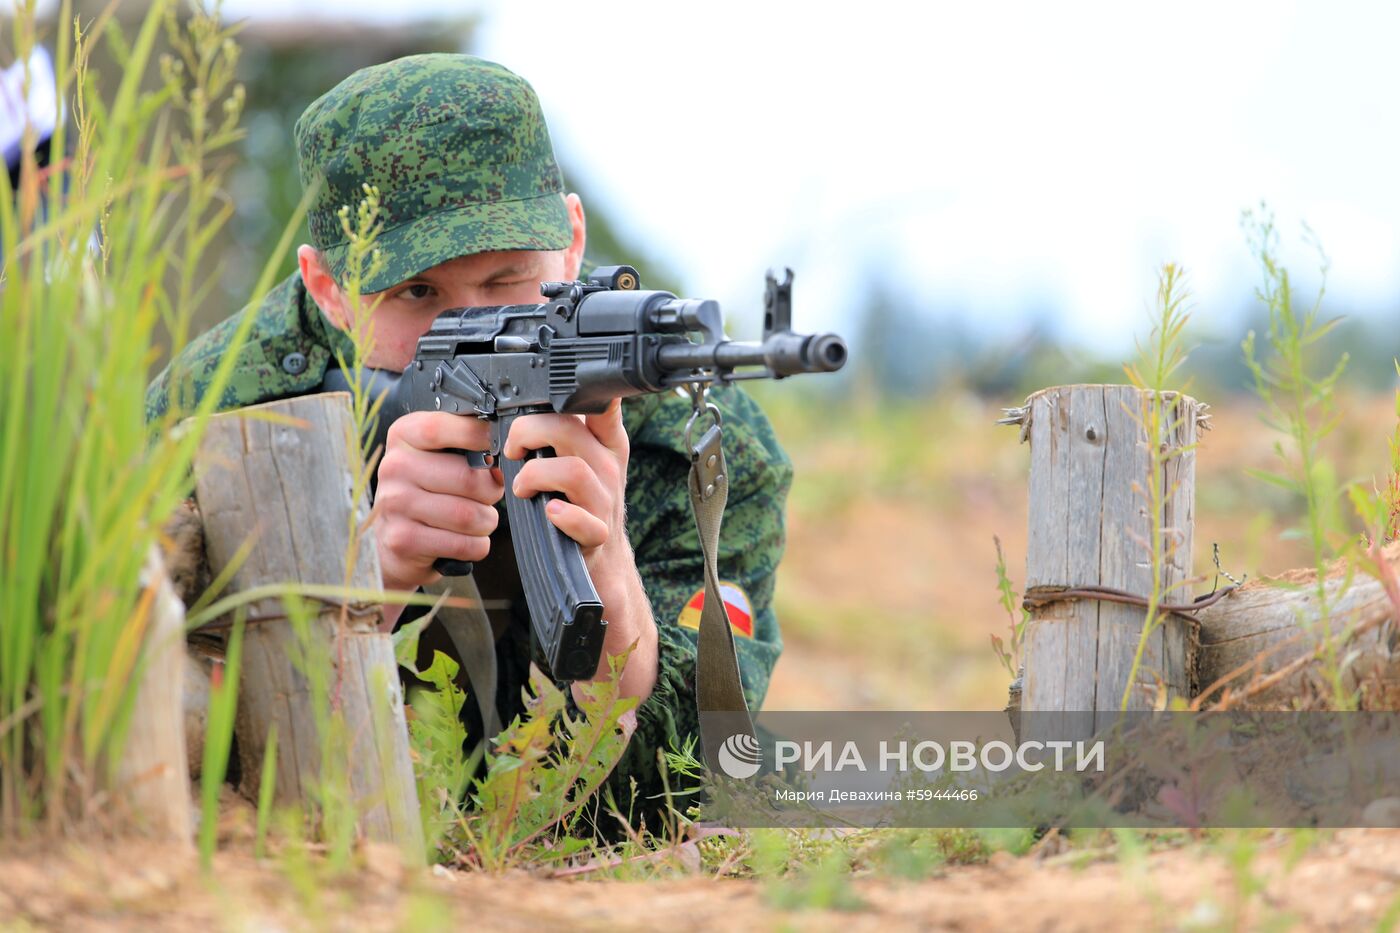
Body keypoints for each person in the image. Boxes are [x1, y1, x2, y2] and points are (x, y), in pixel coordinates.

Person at [146, 54, 791, 815]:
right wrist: (363, 581)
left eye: (506, 280)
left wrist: (611, 573)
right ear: (328, 291)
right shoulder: (227, 407)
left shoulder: (690, 433)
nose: (468, 324)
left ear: (572, 240)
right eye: (417, 292)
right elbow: (165, 722)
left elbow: (706, 771)